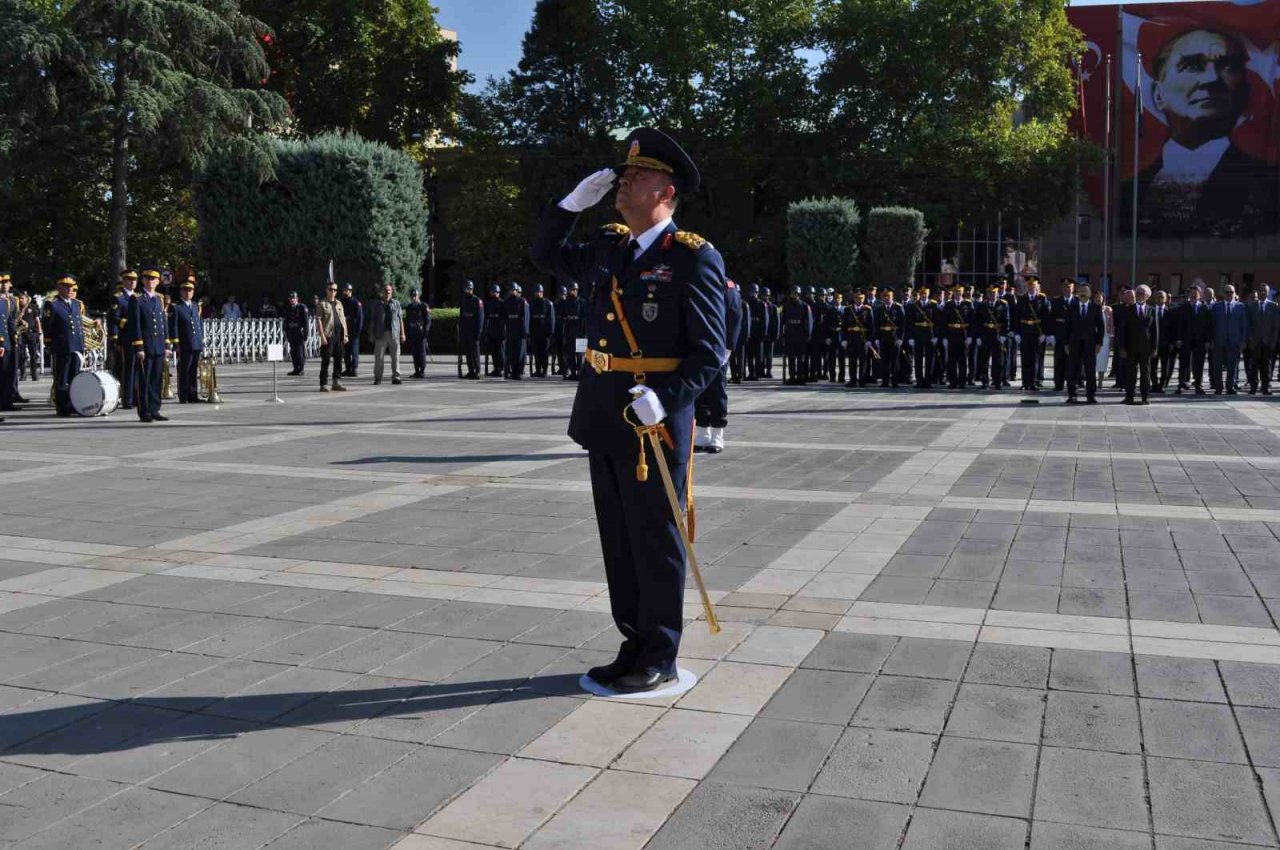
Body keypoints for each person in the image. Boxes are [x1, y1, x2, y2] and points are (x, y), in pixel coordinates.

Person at [530, 127, 726, 693]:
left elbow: (709, 351)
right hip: (605, 414)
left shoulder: (691, 258)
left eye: (639, 175)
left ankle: (661, 652)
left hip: (656, 425)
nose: (625, 180)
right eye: (626, 172)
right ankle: (633, 642)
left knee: (656, 538)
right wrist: (568, 206)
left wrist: (665, 401)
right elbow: (544, 254)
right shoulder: (609, 246)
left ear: (666, 191)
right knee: (618, 537)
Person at [1121, 28, 1278, 236]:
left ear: (1244, 93)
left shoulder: (1268, 184)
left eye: (1227, 66)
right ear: (1158, 95)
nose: (1211, 78)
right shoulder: (1127, 191)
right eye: (1192, 65)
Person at [695, 278, 742, 453]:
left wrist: (729, 347)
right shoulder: (700, 282)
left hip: (718, 348)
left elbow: (735, 316)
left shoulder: (727, 287)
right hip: (699, 346)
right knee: (699, 392)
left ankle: (717, 435)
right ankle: (703, 434)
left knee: (717, 392)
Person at [128, 267, 170, 422]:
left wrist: (167, 345)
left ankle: (154, 409)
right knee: (144, 380)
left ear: (158, 281)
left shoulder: (159, 298)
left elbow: (163, 323)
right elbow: (135, 325)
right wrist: (139, 347)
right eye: (148, 278)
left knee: (156, 380)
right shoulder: (137, 299)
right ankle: (144, 411)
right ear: (143, 280)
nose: (151, 281)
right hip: (145, 347)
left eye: (154, 279)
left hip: (158, 345)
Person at [42, 275, 85, 416]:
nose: (69, 289)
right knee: (62, 378)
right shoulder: (52, 304)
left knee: (75, 377)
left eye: (71, 287)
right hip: (62, 347)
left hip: (76, 346)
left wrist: (82, 344)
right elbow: (47, 326)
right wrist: (48, 344)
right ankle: (62, 407)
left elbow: (79, 326)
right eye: (65, 286)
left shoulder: (77, 304)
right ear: (59, 288)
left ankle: (73, 404)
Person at [1063, 283, 1105, 404]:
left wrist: (1099, 343)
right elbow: (1067, 326)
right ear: (1077, 293)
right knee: (1073, 370)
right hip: (1074, 343)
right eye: (1081, 291)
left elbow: (1101, 327)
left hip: (1090, 344)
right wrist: (1066, 343)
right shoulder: (1072, 306)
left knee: (1090, 370)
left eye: (1085, 291)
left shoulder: (1096, 307)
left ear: (1090, 294)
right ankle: (1072, 395)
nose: (1083, 293)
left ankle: (1090, 395)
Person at [1120, 284, 1158, 404]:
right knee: (1130, 373)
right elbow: (1122, 330)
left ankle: (1145, 396)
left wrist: (1154, 347)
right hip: (1130, 347)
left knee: (1145, 373)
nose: (1140, 295)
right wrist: (1122, 347)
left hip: (1146, 348)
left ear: (1147, 296)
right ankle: (1129, 396)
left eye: (1143, 293)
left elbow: (1155, 330)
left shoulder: (1152, 310)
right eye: (1138, 293)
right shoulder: (1127, 310)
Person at [169, 278, 204, 402]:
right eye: (185, 290)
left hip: (196, 343)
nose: (188, 292)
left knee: (194, 370)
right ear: (181, 292)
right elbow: (173, 327)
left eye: (190, 290)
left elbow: (199, 324)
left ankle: (193, 395)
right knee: (184, 370)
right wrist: (176, 343)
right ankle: (183, 396)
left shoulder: (195, 306)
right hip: (184, 343)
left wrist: (201, 341)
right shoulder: (176, 307)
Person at [109, 271, 138, 409]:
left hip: (139, 338)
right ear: (124, 281)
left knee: (139, 368)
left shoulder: (139, 297)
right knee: (128, 368)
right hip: (126, 337)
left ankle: (137, 397)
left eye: (134, 280)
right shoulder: (118, 298)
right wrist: (128, 323)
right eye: (129, 280)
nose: (132, 282)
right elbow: (114, 317)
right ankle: (127, 398)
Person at [1210, 283, 1246, 394]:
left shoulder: (1240, 306)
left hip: (1234, 342)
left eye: (1231, 292)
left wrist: (1243, 341)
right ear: (1223, 293)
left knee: (1232, 366)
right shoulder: (1216, 307)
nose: (1229, 294)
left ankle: (1230, 387)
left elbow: (1244, 325)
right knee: (1217, 367)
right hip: (1219, 341)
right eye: (1227, 292)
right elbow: (1212, 324)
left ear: (1234, 293)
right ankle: (1218, 387)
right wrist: (1211, 339)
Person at [1015, 277, 1049, 391]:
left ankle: (1033, 382)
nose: (1031, 287)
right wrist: (1017, 333)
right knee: (1025, 358)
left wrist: (1044, 333)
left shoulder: (1042, 298)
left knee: (1035, 359)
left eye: (1033, 285)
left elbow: (1046, 317)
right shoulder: (1021, 299)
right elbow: (1017, 317)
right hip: (1025, 332)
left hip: (1036, 332)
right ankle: (1025, 382)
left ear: (1036, 286)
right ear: (1027, 286)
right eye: (1029, 285)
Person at [1176, 285, 1211, 394]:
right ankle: (1181, 384)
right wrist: (1178, 338)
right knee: (1183, 363)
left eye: (1195, 294)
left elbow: (1207, 326)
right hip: (1186, 340)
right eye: (1191, 294)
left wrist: (1207, 340)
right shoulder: (1184, 307)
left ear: (1200, 295)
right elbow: (1179, 324)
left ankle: (1198, 385)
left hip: (1200, 341)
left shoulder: (1204, 308)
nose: (1193, 296)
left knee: (1199, 364)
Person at [367, 282, 404, 386]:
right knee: (379, 358)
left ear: (391, 292)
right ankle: (378, 378)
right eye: (385, 291)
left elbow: (400, 319)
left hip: (394, 334)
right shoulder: (377, 305)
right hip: (380, 334)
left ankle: (396, 377)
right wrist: (371, 334)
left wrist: (403, 334)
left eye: (389, 290)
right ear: (383, 292)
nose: (387, 292)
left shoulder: (396, 303)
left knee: (395, 357)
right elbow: (373, 320)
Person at [1245, 284, 1279, 395]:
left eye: (1264, 291)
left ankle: (1265, 387)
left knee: (1266, 366)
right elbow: (1248, 324)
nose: (1262, 292)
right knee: (1254, 366)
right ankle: (1253, 387)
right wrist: (1250, 339)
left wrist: (1273, 341)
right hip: (1255, 341)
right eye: (1260, 290)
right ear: (1258, 292)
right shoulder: (1251, 306)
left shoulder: (1274, 306)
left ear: (1268, 292)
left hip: (1268, 341)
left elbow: (1275, 326)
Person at [974, 285, 1008, 390]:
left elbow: (1006, 320)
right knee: (984, 359)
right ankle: (985, 381)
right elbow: (977, 322)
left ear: (997, 294)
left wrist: (1004, 334)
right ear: (987, 294)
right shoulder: (982, 305)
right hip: (985, 334)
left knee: (998, 360)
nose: (992, 295)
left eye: (994, 293)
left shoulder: (1003, 304)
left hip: (997, 334)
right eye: (990, 293)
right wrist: (978, 336)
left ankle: (997, 381)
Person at [316, 281, 348, 392]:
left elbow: (343, 319)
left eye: (335, 290)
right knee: (326, 360)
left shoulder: (339, 303)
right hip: (328, 335)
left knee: (339, 359)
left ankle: (336, 381)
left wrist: (346, 335)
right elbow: (319, 320)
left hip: (339, 335)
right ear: (326, 290)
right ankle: (323, 383)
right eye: (330, 289)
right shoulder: (322, 304)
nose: (333, 292)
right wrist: (322, 336)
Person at [940, 284, 972, 389]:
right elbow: (944, 322)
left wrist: (970, 336)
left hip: (963, 335)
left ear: (962, 293)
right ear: (953, 293)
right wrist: (944, 337)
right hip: (952, 335)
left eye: (959, 292)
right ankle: (953, 381)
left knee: (963, 360)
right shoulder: (948, 305)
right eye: (956, 292)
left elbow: (972, 321)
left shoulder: (968, 304)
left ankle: (962, 381)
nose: (958, 294)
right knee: (952, 361)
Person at [842, 290, 875, 387]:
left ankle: (862, 379)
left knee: (863, 361)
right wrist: (844, 339)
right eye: (857, 298)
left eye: (861, 298)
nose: (859, 300)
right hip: (851, 338)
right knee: (852, 361)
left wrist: (869, 340)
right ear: (853, 298)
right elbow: (844, 326)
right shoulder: (848, 309)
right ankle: (852, 380)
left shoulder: (868, 309)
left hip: (863, 339)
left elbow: (872, 327)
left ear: (864, 299)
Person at [1048, 279, 1075, 392]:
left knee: (1072, 361)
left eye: (1069, 287)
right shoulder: (1055, 301)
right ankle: (1058, 383)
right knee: (1059, 361)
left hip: (1073, 336)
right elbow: (1051, 319)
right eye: (1065, 287)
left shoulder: (1077, 301)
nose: (1067, 289)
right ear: (1062, 288)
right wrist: (1051, 335)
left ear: (1073, 288)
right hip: (1059, 335)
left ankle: (1071, 383)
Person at [905, 287, 935, 389]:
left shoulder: (933, 305)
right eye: (922, 294)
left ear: (928, 294)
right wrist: (910, 337)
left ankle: (928, 381)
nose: (923, 295)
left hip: (930, 335)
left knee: (929, 359)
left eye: (925, 293)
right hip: (918, 335)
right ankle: (919, 381)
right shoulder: (914, 306)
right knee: (918, 359)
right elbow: (909, 323)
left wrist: (936, 336)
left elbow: (938, 322)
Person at [781, 285, 811, 385]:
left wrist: (808, 334)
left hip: (800, 334)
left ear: (799, 294)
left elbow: (808, 322)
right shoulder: (786, 305)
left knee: (800, 358)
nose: (794, 295)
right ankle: (792, 376)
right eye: (793, 293)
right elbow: (782, 321)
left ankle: (800, 377)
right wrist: (782, 334)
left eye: (796, 293)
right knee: (791, 358)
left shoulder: (804, 306)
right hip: (790, 334)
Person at [875, 288, 905, 388]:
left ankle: (895, 381)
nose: (887, 298)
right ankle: (885, 381)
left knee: (895, 361)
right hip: (884, 338)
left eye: (889, 296)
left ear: (893, 297)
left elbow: (902, 324)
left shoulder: (898, 307)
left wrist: (900, 338)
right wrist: (877, 338)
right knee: (884, 361)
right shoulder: (879, 308)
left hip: (895, 338)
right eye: (885, 296)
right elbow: (877, 325)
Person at [502, 282, 530, 380]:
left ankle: (517, 372)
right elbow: (504, 318)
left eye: (514, 290)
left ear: (517, 290)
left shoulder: (522, 301)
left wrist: (525, 331)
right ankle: (510, 371)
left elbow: (526, 317)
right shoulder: (506, 302)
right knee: (510, 352)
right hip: (510, 330)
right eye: (511, 290)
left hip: (519, 331)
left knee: (519, 353)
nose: (513, 291)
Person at [527, 283, 555, 377]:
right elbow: (529, 318)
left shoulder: (548, 303)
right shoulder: (531, 303)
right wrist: (529, 331)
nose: (537, 294)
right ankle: (538, 370)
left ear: (542, 292)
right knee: (536, 352)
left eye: (538, 292)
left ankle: (544, 370)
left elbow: (551, 318)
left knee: (545, 352)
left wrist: (550, 332)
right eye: (535, 292)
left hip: (545, 332)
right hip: (535, 331)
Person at [458, 280, 484, 380]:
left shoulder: (477, 300)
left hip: (474, 331)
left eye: (468, 289)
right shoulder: (463, 300)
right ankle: (471, 370)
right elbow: (462, 317)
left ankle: (477, 371)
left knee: (475, 352)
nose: (466, 291)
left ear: (471, 289)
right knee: (468, 352)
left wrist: (479, 332)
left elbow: (480, 318)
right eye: (465, 289)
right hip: (466, 331)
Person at [1154, 290, 1179, 392]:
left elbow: (1174, 329)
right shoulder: (1151, 311)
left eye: (1162, 297)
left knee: (1165, 366)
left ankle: (1162, 384)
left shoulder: (1170, 313)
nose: (1160, 299)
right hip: (1153, 344)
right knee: (1152, 367)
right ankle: (1154, 384)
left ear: (1165, 299)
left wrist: (1172, 343)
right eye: (1158, 297)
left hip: (1166, 344)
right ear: (1154, 298)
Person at [559, 282, 585, 380]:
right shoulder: (565, 303)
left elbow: (585, 317)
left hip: (580, 331)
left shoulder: (582, 302)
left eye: (576, 290)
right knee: (570, 353)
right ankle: (573, 372)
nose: (574, 291)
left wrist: (585, 332)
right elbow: (562, 316)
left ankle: (580, 373)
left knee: (580, 354)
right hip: (569, 330)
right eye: (572, 290)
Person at [405, 288, 431, 378]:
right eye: (412, 296)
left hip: (421, 333)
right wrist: (407, 333)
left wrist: (426, 331)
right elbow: (407, 321)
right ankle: (416, 370)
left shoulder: (423, 306)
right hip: (412, 333)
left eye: (415, 295)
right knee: (414, 353)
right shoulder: (409, 307)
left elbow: (428, 320)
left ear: (418, 296)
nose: (413, 297)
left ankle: (422, 371)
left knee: (421, 352)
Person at [338, 282, 363, 378]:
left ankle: (354, 369)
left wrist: (357, 331)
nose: (345, 292)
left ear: (351, 291)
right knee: (346, 352)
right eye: (344, 290)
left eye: (347, 290)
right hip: (344, 331)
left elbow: (360, 318)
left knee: (354, 351)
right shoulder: (341, 302)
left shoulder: (356, 303)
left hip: (353, 331)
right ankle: (348, 369)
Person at [283, 291, 309, 376]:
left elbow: (305, 322)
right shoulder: (288, 308)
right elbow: (286, 321)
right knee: (293, 352)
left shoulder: (302, 307)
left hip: (299, 333)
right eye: (290, 298)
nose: (292, 300)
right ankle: (295, 368)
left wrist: (306, 333)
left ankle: (301, 369)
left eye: (293, 298)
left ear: (297, 299)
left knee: (300, 351)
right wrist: (286, 331)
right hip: (291, 332)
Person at [483, 283, 506, 377]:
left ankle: (502, 368)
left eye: (495, 292)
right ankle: (496, 368)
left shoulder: (502, 303)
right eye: (492, 292)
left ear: (498, 292)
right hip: (491, 330)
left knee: (500, 351)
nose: (493, 293)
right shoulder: (488, 303)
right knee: (493, 351)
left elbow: (504, 319)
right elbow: (486, 317)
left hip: (500, 331)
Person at [16, 292, 41, 382]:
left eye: (22, 298)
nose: (20, 300)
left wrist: (39, 333)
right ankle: (23, 374)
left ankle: (34, 374)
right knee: (22, 355)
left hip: (32, 334)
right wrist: (21, 320)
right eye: (19, 298)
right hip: (21, 334)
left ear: (27, 299)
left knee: (33, 355)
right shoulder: (17, 308)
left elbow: (37, 320)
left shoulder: (33, 307)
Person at [744, 283, 765, 380]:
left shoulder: (761, 304)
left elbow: (765, 320)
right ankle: (751, 373)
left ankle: (757, 374)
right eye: (752, 292)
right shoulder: (746, 303)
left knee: (758, 356)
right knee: (749, 356)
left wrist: (763, 333)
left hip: (758, 333)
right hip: (749, 333)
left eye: (755, 292)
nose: (753, 294)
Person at [1096, 290, 1113, 387]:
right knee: (1092, 360)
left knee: (1102, 361)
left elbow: (1111, 325)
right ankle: (1091, 381)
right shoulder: (1091, 308)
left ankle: (1100, 382)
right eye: (1096, 297)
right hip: (1093, 338)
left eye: (1100, 297)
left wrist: (1111, 338)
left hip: (1105, 338)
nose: (1098, 299)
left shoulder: (1108, 310)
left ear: (1103, 298)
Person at [761, 286, 779, 378]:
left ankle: (768, 370)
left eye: (767, 295)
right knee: (761, 354)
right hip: (761, 334)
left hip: (770, 334)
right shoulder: (759, 305)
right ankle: (761, 370)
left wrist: (776, 334)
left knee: (769, 355)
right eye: (764, 295)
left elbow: (777, 322)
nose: (765, 297)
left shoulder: (773, 307)